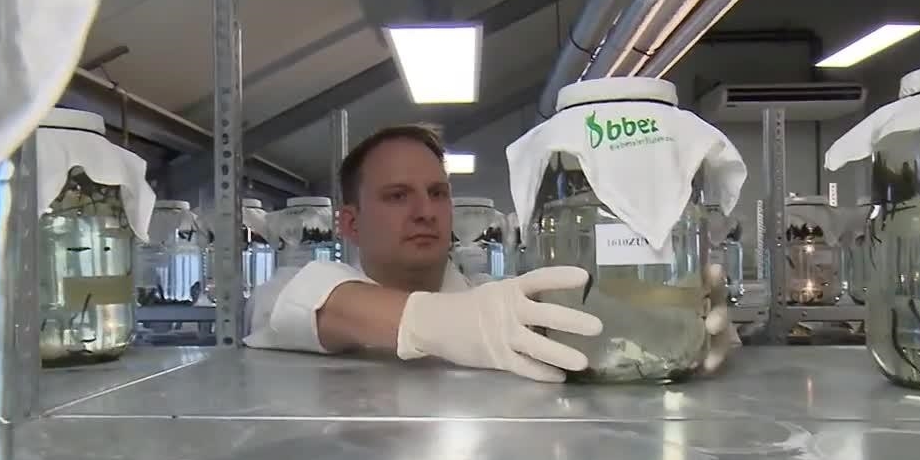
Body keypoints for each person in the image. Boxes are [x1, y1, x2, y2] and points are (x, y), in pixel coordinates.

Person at [243, 123, 737, 382]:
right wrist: (436, 323)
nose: (424, 211)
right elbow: (316, 305)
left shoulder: (502, 305)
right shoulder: (290, 292)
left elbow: (611, 342)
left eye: (437, 193)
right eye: (397, 196)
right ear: (350, 223)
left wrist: (677, 320)